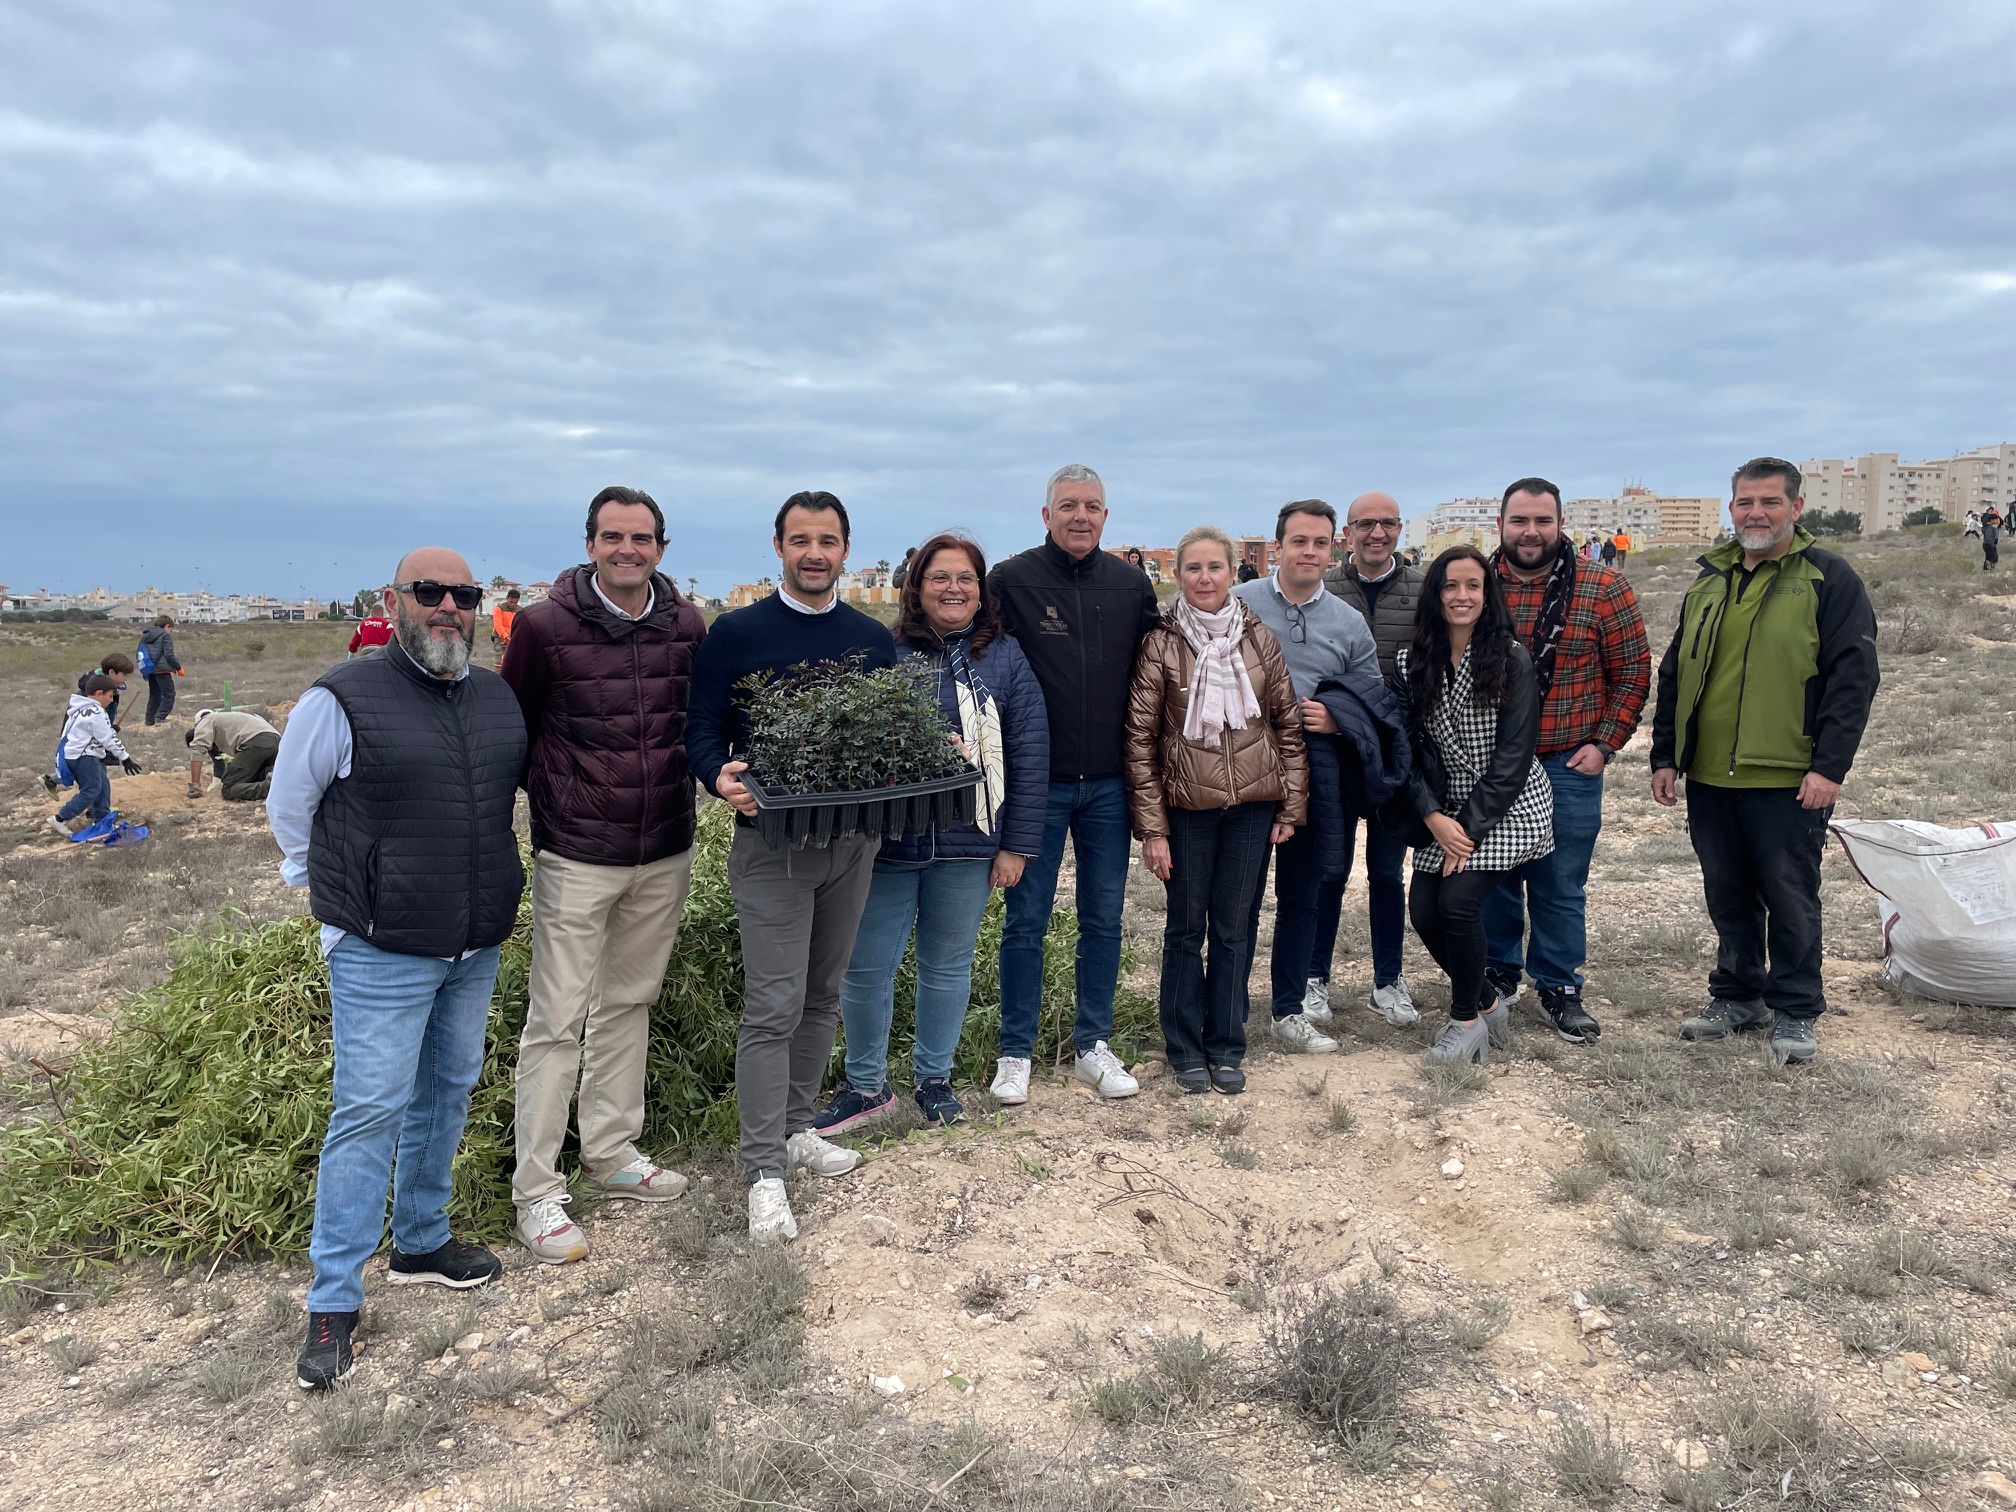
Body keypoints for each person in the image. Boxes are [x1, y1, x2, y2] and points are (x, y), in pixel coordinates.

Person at [267, 548, 527, 1391]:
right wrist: (347, 900)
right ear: (394, 601)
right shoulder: (341, 697)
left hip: (473, 943)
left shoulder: (495, 696)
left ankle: (420, 1241)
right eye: (430, 592)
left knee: (446, 1091)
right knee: (369, 1111)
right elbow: (290, 808)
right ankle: (333, 1301)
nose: (449, 606)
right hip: (380, 948)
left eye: (464, 594)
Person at [499, 487, 708, 1265]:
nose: (628, 549)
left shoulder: (686, 625)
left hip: (665, 847)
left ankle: (611, 1152)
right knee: (556, 1021)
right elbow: (513, 730)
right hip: (578, 852)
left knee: (627, 1003)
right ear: (590, 544)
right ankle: (536, 1191)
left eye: (641, 538)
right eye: (613, 536)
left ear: (661, 547)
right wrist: (545, 806)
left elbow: (696, 722)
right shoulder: (544, 627)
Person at [686, 491, 895, 1244]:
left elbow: (893, 733)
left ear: (846, 551)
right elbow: (700, 729)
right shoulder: (737, 633)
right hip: (772, 846)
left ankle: (798, 1127)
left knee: (821, 993)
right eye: (801, 539)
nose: (815, 553)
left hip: (853, 844)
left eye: (827, 540)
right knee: (773, 1005)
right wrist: (719, 776)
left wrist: (936, 751)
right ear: (778, 546)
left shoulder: (871, 639)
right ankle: (763, 1172)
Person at [814, 534, 1049, 1135]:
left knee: (946, 966)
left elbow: (1029, 755)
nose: (953, 588)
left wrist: (1016, 845)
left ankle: (934, 1079)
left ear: (981, 590)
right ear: (916, 587)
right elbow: (857, 743)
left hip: (970, 841)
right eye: (939, 577)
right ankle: (866, 1085)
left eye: (965, 578)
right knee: (866, 968)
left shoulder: (1006, 659)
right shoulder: (886, 651)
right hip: (890, 842)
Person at [1652, 458, 1879, 1066]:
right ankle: (1738, 995)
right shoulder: (1709, 581)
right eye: (1745, 502)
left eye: (1770, 502)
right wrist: (1666, 754)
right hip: (1709, 774)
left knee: (1790, 895)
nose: (1756, 513)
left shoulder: (1828, 577)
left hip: (1788, 776)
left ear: (1796, 508)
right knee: (1728, 893)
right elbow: (1676, 672)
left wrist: (1829, 767)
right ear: (1732, 508)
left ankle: (1796, 1007)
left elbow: (1853, 679)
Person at [986, 464, 1161, 1105]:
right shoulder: (1010, 580)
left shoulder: (1130, 584)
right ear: (1046, 515)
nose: (1080, 516)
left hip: (1110, 785)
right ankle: (1015, 1052)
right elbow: (981, 660)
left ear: (1105, 516)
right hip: (1038, 784)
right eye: (1068, 505)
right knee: (1025, 922)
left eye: (1091, 506)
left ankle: (1093, 1045)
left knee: (1103, 919)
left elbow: (1157, 670)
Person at [1127, 526, 1307, 1093]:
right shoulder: (1160, 643)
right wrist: (1153, 830)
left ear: (1233, 572)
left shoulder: (1259, 638)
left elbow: (1287, 725)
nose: (1204, 578)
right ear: (1178, 575)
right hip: (1188, 808)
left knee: (1233, 929)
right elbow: (1140, 741)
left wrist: (1291, 806)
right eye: (1193, 568)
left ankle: (1226, 1044)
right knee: (1185, 929)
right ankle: (1184, 1047)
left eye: (1215, 567)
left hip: (1252, 806)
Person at [1480, 479, 1651, 1044]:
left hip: (1566, 761)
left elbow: (1632, 671)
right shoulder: (1475, 585)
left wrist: (1604, 744)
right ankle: (1497, 972)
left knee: (1559, 881)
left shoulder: (1603, 586)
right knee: (1493, 874)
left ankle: (1558, 985)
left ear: (1560, 524)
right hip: (1490, 762)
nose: (1530, 532)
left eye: (1542, 521)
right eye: (1519, 521)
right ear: (1501, 525)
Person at [1389, 547, 1554, 1065]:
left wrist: (1468, 831)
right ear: (1434, 594)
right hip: (1442, 805)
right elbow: (1405, 747)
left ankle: (1465, 1024)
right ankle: (1487, 1001)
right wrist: (1433, 816)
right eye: (1450, 585)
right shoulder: (1410, 661)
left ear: (1487, 595)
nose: (1461, 596)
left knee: (1457, 904)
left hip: (1507, 804)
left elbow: (1514, 757)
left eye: (1473, 586)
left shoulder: (1510, 658)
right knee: (1423, 911)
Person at [1232, 500, 1381, 1055]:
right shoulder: (1238, 603)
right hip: (1242, 773)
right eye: (1299, 541)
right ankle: (1227, 1010)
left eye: (1320, 543)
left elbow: (1372, 699)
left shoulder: (1348, 622)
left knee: (1302, 897)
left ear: (1333, 548)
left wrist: (1338, 718)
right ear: (1278, 548)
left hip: (1316, 776)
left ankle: (1289, 1010)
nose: (1310, 552)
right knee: (1239, 900)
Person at [1319, 492, 1427, 1025]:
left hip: (1395, 756)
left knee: (1387, 874)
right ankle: (1314, 978)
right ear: (1348, 533)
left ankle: (1388, 980)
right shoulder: (1325, 589)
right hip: (1335, 756)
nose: (1376, 533)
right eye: (1365, 524)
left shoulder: (1424, 590)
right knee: (1329, 871)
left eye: (1387, 523)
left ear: (1400, 529)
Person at [47, 676, 141, 840]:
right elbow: (108, 738)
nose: (111, 700)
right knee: (91, 790)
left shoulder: (79, 709)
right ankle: (60, 818)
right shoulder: (96, 712)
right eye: (110, 696)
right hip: (82, 756)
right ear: (99, 693)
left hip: (78, 755)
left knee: (103, 787)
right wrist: (125, 758)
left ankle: (102, 822)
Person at [42, 654, 135, 797]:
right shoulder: (94, 689)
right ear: (111, 672)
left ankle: (52, 780)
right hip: (85, 737)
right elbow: (92, 719)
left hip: (91, 735)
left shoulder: (104, 686)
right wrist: (107, 731)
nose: (126, 678)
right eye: (124, 674)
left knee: (92, 766)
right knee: (93, 768)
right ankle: (97, 806)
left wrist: (109, 728)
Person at [187, 708, 283, 801]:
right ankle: (277, 779)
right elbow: (220, 764)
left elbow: (197, 750)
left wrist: (195, 785)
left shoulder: (205, 722)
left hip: (255, 741)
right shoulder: (226, 721)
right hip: (276, 740)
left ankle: (268, 787)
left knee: (229, 788)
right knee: (251, 776)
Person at [138, 614, 182, 725]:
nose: (171, 631)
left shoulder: (145, 636)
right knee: (169, 694)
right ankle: (160, 717)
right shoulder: (165, 636)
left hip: (150, 669)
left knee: (154, 694)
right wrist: (178, 668)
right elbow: (169, 654)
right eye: (171, 628)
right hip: (162, 669)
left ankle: (149, 719)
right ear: (167, 626)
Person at [491, 590, 521, 656]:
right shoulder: (499, 609)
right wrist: (506, 638)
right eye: (511, 602)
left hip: (514, 638)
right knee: (499, 658)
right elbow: (498, 625)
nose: (513, 604)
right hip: (500, 638)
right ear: (507, 598)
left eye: (515, 602)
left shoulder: (520, 610)